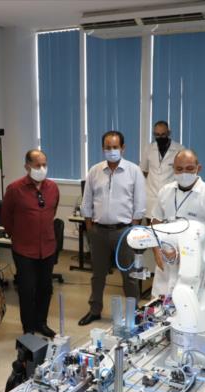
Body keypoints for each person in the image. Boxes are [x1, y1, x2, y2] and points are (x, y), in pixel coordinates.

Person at [78, 130, 146, 326]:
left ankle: (133, 313)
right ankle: (94, 310)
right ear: (103, 148)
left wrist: (132, 229)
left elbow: (140, 204)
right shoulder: (95, 171)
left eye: (115, 147)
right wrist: (90, 227)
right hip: (98, 231)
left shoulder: (134, 171)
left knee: (129, 276)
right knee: (97, 275)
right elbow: (87, 201)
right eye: (108, 147)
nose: (111, 150)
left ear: (123, 148)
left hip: (124, 231)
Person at [150, 149, 205, 297]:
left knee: (188, 304)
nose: (184, 173)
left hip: (192, 263)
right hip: (165, 264)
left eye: (189, 168)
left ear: (198, 168)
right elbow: (155, 224)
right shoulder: (165, 192)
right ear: (173, 169)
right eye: (179, 169)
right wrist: (156, 251)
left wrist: (185, 250)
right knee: (159, 304)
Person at [1, 149, 60, 337]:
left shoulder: (52, 188)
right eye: (37, 165)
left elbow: (52, 212)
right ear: (27, 166)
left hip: (47, 248)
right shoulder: (15, 189)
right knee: (27, 290)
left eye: (44, 165)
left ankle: (41, 322)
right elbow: (6, 217)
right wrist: (18, 235)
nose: (42, 169)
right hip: (24, 249)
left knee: (45, 288)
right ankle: (28, 328)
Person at [140, 120, 183, 222]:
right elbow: (144, 170)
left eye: (163, 134)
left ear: (169, 133)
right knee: (150, 228)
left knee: (169, 227)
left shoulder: (179, 149)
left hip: (170, 197)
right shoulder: (149, 149)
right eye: (157, 135)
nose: (160, 137)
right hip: (151, 197)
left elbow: (181, 173)